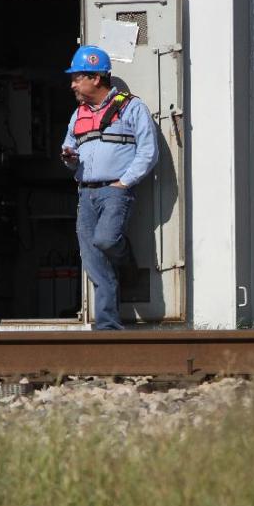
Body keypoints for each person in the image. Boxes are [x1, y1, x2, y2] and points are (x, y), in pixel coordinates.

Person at [61, 45, 159, 330]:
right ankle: (107, 327)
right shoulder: (78, 114)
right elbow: (68, 146)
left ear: (95, 77)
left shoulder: (131, 107)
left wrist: (124, 183)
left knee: (105, 240)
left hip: (115, 191)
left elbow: (148, 151)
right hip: (86, 192)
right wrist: (68, 158)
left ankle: (127, 267)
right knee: (93, 260)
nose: (72, 85)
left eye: (77, 78)